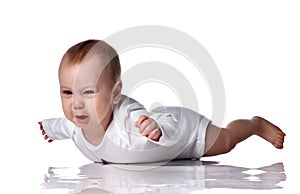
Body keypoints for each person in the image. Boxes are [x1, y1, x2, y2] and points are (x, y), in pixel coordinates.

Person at [38, 39, 285, 164]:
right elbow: (65, 125)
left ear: (115, 93)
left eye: (88, 92)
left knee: (227, 141)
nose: (77, 104)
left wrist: (150, 125)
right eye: (68, 93)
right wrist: (49, 128)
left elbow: (138, 113)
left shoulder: (128, 116)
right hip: (166, 154)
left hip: (179, 131)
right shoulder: (77, 128)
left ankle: (255, 125)